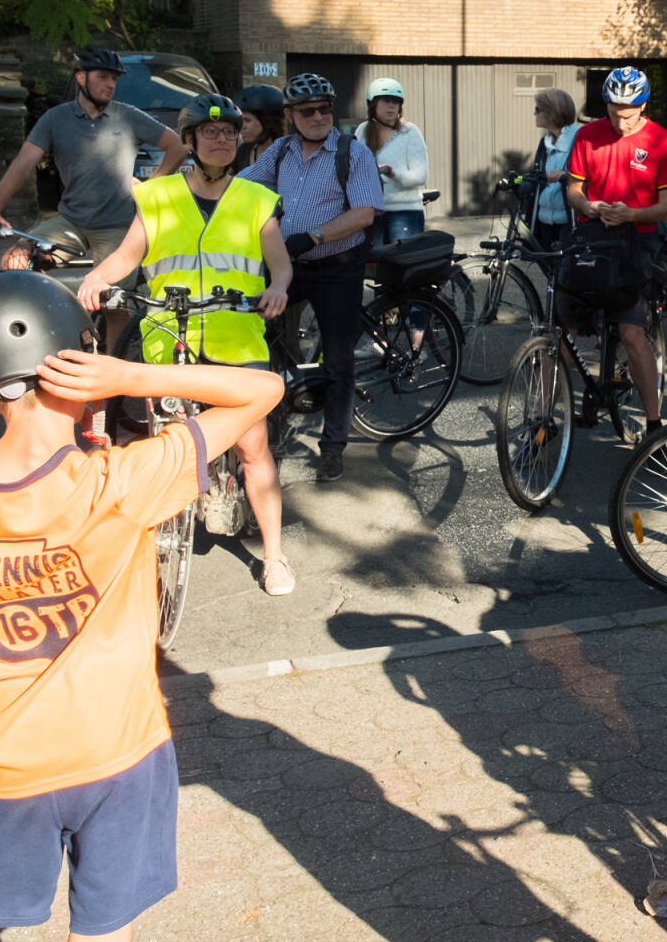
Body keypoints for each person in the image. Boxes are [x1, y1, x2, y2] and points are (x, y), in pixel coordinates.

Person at [0, 270, 282, 942]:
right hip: (116, 755)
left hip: (2, 766)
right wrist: (133, 375)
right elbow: (260, 390)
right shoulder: (124, 479)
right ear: (73, 369)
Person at [77, 94, 295, 595]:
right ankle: (148, 544)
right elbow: (127, 257)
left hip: (236, 337)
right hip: (168, 337)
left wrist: (279, 287)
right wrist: (96, 278)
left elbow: (279, 263)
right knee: (162, 445)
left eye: (229, 132)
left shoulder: (257, 199)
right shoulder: (157, 196)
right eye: (210, 132)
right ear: (191, 141)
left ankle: (275, 556)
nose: (222, 139)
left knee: (253, 446)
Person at [240, 73, 383, 483]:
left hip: (337, 268)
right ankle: (272, 417)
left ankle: (333, 448)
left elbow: (365, 212)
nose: (318, 117)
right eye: (308, 111)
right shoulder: (281, 151)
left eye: (324, 109)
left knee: (338, 359)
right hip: (289, 265)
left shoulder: (353, 153)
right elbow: (240, 189)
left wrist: (315, 235)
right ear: (289, 115)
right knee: (259, 335)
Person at [0, 48, 189, 318]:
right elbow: (23, 163)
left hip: (117, 224)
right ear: (81, 78)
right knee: (14, 261)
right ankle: (37, 327)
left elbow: (178, 146)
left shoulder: (127, 116)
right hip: (70, 221)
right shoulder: (55, 119)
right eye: (103, 77)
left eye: (114, 79)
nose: (110, 84)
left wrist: (149, 188)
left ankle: (110, 345)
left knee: (112, 304)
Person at [565, 66, 667, 430]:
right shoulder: (587, 135)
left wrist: (631, 214)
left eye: (629, 114)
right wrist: (588, 206)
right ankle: (543, 419)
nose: (621, 121)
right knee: (562, 333)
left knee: (632, 334)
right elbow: (573, 190)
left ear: (643, 105)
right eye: (615, 112)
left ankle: (653, 423)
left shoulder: (664, 142)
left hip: (638, 240)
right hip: (593, 236)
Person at [361, 78, 430, 246]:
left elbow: (421, 176)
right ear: (373, 104)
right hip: (370, 212)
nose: (392, 106)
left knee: (404, 261)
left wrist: (393, 173)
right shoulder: (362, 131)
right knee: (373, 261)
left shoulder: (410, 132)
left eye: (396, 101)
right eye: (386, 100)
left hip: (404, 212)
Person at [530, 88, 581, 251]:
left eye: (537, 109)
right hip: (544, 222)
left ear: (552, 113)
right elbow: (538, 175)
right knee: (547, 265)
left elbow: (589, 178)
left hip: (569, 223)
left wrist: (565, 176)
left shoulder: (580, 139)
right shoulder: (545, 142)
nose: (534, 113)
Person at [235, 85, 287, 174]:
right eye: (240, 120)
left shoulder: (289, 155)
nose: (242, 126)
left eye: (247, 120)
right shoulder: (243, 151)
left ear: (269, 122)